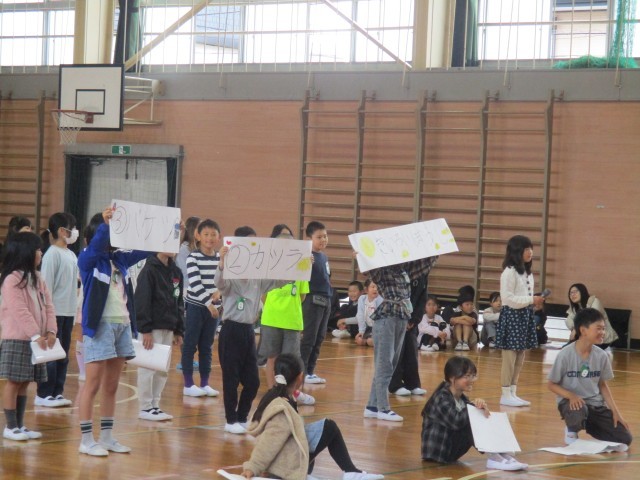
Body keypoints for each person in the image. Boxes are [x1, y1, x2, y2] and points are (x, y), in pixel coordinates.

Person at [242, 353, 384, 480]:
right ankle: (350, 472)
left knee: (320, 430)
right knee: (329, 427)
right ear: (300, 377)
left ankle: (348, 471)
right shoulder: (282, 408)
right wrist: (254, 467)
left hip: (284, 454)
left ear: (275, 374)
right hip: (283, 463)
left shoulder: (275, 395)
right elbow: (270, 441)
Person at [77, 207, 150, 456]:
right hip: (100, 326)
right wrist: (106, 225)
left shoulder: (119, 260)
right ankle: (86, 440)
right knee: (93, 384)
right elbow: (98, 244)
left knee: (111, 385)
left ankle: (107, 437)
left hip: (122, 324)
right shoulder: (87, 258)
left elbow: (145, 250)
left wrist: (168, 233)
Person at [216, 226, 288, 434]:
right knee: (231, 378)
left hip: (248, 331)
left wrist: (299, 267)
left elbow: (279, 281)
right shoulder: (231, 273)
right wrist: (222, 263)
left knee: (253, 381)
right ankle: (230, 420)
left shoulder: (257, 277)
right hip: (231, 330)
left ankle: (242, 417)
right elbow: (220, 284)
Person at [361, 255, 438, 422]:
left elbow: (425, 265)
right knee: (384, 365)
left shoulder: (405, 270)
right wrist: (361, 254)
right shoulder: (383, 271)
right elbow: (368, 269)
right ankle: (383, 408)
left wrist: (436, 249)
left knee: (390, 364)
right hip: (386, 319)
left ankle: (372, 406)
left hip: (401, 318)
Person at [421, 356, 527, 471]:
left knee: (476, 415)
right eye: (467, 376)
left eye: (473, 376)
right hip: (438, 452)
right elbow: (456, 421)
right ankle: (495, 458)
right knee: (472, 418)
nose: (471, 380)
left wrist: (482, 409)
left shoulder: (461, 398)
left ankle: (503, 456)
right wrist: (473, 407)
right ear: (452, 378)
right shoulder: (441, 397)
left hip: (449, 449)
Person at [0, 232, 57, 441]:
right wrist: (35, 334)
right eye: (37, 250)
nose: (40, 253)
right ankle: (10, 427)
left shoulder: (38, 278)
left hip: (35, 339)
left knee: (25, 382)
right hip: (17, 338)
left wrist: (51, 330)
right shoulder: (11, 279)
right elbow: (20, 311)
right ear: (25, 252)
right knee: (14, 382)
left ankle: (20, 425)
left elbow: (49, 306)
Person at [547, 308, 632, 446]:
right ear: (583, 330)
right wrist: (571, 396)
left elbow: (602, 385)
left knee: (625, 438)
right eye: (598, 328)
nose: (602, 332)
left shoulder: (602, 356)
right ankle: (572, 430)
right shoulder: (565, 354)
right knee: (579, 409)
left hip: (595, 405)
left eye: (603, 329)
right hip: (572, 404)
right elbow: (551, 384)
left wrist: (616, 412)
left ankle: (588, 424)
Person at [258, 224, 314, 406]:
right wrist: (273, 308)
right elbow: (263, 294)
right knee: (272, 357)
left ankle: (291, 393)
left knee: (292, 361)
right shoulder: (269, 265)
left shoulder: (301, 265)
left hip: (292, 320)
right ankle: (272, 392)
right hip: (271, 319)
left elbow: (302, 296)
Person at [35, 212, 79, 408]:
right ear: (62, 231)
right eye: (72, 228)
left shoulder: (71, 255)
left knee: (63, 355)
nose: (75, 232)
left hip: (68, 312)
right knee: (50, 355)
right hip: (55, 313)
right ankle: (43, 393)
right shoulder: (52, 254)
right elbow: (46, 288)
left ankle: (57, 392)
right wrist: (47, 316)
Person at [134, 250, 185, 421]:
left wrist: (178, 329)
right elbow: (142, 300)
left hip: (168, 327)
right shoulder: (149, 270)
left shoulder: (176, 272)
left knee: (162, 369)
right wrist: (145, 329)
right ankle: (145, 406)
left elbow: (178, 301)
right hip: (152, 328)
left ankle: (155, 404)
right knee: (147, 367)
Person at [495, 235, 544, 408]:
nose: (530, 252)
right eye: (526, 249)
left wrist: (534, 302)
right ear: (517, 251)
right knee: (509, 358)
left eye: (531, 249)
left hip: (524, 316)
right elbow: (507, 299)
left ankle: (513, 392)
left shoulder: (528, 273)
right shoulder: (509, 272)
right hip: (512, 316)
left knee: (520, 357)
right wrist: (531, 300)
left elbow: (524, 297)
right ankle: (505, 394)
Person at [181, 219, 222, 397]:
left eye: (213, 234)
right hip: (196, 307)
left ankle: (205, 383)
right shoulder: (193, 257)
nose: (209, 238)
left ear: (219, 237)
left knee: (207, 347)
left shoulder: (220, 258)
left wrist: (219, 292)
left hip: (214, 309)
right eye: (206, 234)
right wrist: (209, 305)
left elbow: (224, 280)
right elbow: (195, 284)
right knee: (190, 345)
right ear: (198, 236)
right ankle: (188, 384)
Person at [300, 221, 332, 385]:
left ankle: (310, 371)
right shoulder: (307, 257)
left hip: (326, 300)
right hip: (312, 300)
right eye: (319, 237)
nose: (323, 240)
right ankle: (302, 372)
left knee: (319, 338)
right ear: (309, 238)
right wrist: (306, 263)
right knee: (309, 338)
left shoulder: (323, 256)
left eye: (325, 236)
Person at [566, 283, 617, 350]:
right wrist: (574, 328)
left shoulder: (594, 301)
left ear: (582, 291)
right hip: (588, 337)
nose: (573, 295)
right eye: (571, 293)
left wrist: (575, 328)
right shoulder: (575, 307)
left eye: (575, 292)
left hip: (602, 338)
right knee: (571, 349)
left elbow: (591, 320)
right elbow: (569, 322)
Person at [354, 279, 382, 347]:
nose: (375, 289)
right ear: (366, 290)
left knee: (370, 341)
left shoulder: (380, 299)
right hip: (369, 328)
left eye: (378, 287)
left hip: (379, 328)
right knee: (359, 340)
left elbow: (380, 318)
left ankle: (371, 341)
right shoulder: (362, 299)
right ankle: (368, 341)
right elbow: (360, 315)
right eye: (373, 287)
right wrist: (361, 331)